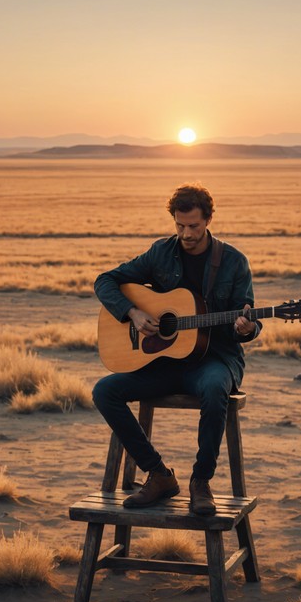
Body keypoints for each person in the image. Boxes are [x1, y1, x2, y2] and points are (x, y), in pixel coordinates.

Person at [92, 182, 261, 516]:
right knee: (105, 391)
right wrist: (133, 312)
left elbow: (250, 320)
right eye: (180, 226)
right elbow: (105, 281)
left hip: (214, 358)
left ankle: (201, 482)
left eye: (194, 226)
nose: (186, 233)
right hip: (166, 360)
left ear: (208, 220)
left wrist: (248, 328)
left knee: (215, 390)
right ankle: (158, 474)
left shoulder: (233, 262)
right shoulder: (161, 252)